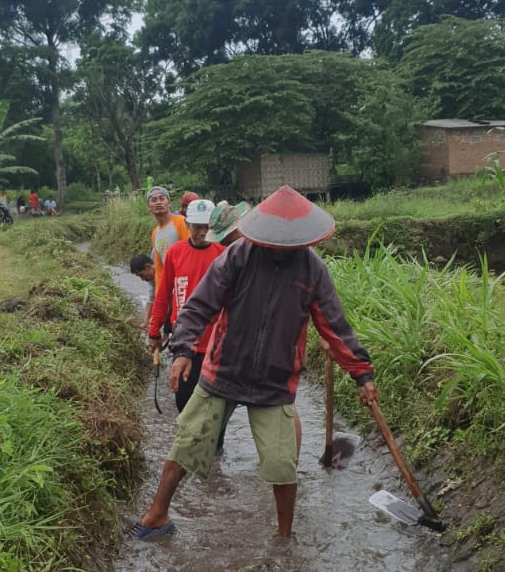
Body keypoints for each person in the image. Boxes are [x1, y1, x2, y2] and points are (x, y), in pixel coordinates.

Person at [129, 186, 378, 543]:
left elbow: (335, 326)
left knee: (282, 465)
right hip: (224, 369)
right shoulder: (239, 256)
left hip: (275, 379)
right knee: (188, 443)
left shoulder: (312, 269)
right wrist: (182, 350)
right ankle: (157, 514)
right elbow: (199, 305)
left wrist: (361, 374)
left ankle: (284, 538)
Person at [148, 198, 224, 415]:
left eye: (207, 227)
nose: (202, 232)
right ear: (188, 225)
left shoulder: (223, 253)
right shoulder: (175, 253)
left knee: (214, 410)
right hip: (184, 343)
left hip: (215, 344)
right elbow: (163, 295)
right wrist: (154, 331)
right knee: (184, 404)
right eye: (197, 227)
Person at [147, 185, 188, 292]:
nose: (158, 202)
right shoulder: (155, 233)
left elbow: (191, 253)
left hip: (185, 283)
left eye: (162, 198)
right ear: (149, 207)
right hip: (170, 287)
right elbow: (159, 269)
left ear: (169, 203)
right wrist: (159, 295)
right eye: (154, 200)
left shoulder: (181, 222)